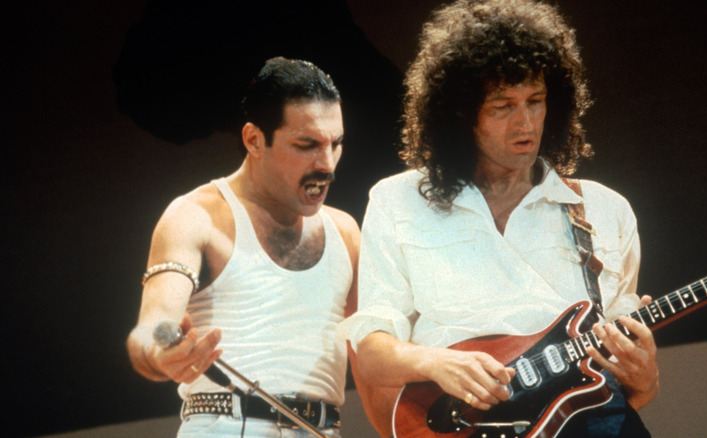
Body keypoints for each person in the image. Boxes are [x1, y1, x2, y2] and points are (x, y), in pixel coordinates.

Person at [347, 1, 659, 437]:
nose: (525, 123)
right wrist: (437, 362)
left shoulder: (607, 210)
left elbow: (624, 379)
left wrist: (644, 377)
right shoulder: (397, 200)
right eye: (502, 106)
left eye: (535, 101)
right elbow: (371, 353)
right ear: (459, 113)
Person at [126, 57, 361, 437]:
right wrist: (159, 354)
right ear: (253, 139)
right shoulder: (196, 216)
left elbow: (374, 356)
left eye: (336, 144)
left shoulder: (345, 231)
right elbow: (151, 327)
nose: (327, 164)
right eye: (307, 145)